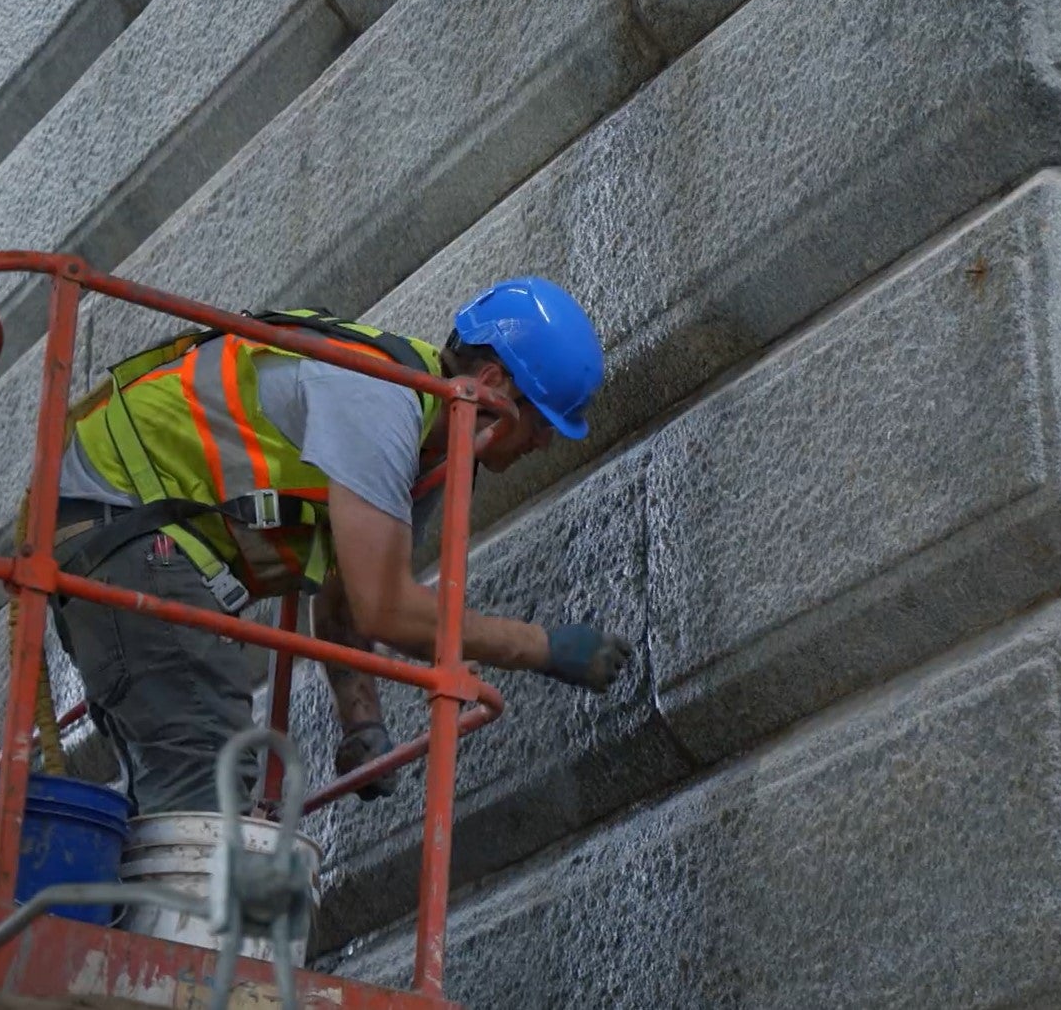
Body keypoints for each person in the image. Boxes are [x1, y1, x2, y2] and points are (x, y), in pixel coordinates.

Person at [48, 277, 631, 813]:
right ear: (493, 386)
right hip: (122, 520)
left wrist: (361, 723)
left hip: (126, 534)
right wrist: (545, 648)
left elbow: (348, 594)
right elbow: (388, 606)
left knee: (184, 783)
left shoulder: (429, 448)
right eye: (545, 422)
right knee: (208, 760)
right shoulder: (383, 398)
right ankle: (170, 926)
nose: (546, 444)